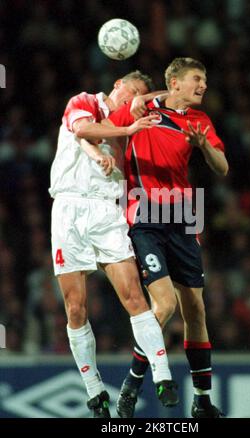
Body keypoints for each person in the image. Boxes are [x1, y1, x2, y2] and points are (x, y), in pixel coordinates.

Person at [100, 58, 229, 418]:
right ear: (174, 83)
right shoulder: (143, 109)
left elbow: (222, 167)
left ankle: (202, 400)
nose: (203, 85)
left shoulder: (200, 121)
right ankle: (131, 383)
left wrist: (204, 146)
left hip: (185, 215)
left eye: (204, 79)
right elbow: (103, 127)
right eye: (197, 79)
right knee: (165, 305)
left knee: (196, 309)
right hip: (145, 215)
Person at [49, 71, 178, 418]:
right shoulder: (85, 101)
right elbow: (81, 130)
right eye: (130, 92)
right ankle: (95, 394)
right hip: (70, 208)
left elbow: (175, 95)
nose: (131, 101)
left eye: (137, 97)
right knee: (75, 306)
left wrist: (146, 100)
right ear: (118, 84)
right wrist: (124, 131)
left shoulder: (129, 117)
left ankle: (163, 375)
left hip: (108, 210)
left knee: (134, 296)